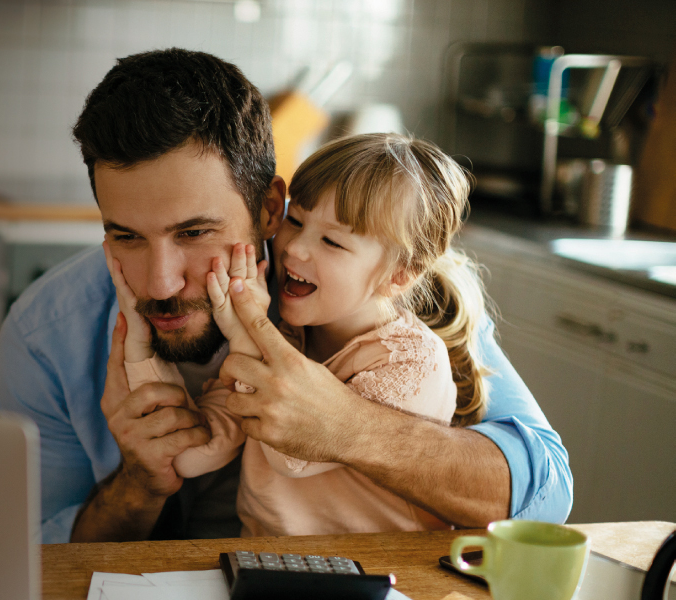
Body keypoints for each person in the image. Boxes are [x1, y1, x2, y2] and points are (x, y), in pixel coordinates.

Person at [0, 48, 572, 544]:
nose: (161, 283)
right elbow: (32, 558)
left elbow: (544, 491)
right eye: (126, 236)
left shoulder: (378, 297)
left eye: (195, 233)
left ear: (272, 209)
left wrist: (348, 427)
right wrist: (139, 483)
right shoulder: (49, 332)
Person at [114, 133, 493, 537]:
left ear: (399, 275)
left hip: (379, 576)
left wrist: (244, 332)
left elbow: (291, 454)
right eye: (296, 220)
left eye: (332, 241)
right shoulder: (289, 336)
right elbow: (193, 457)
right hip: (267, 568)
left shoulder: (413, 361)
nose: (295, 249)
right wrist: (139, 348)